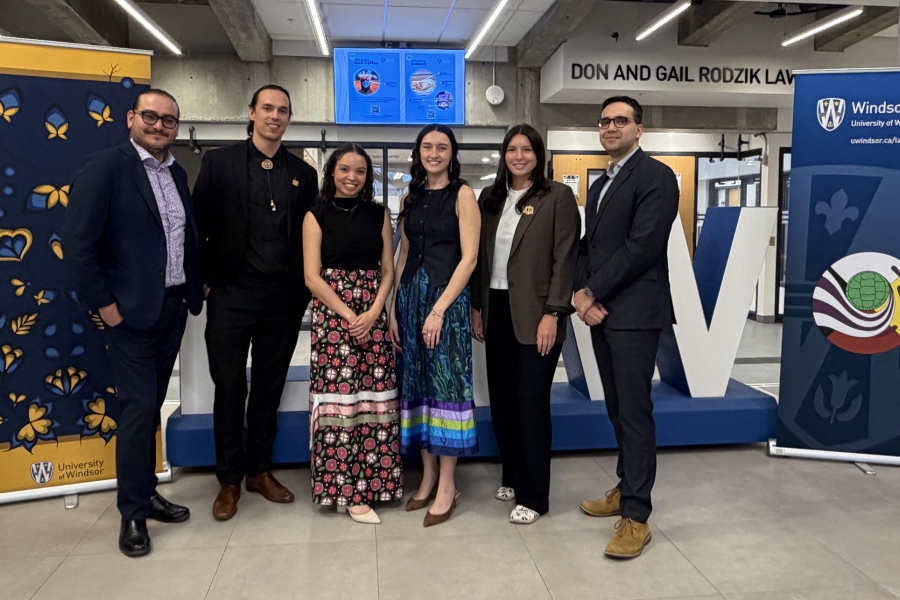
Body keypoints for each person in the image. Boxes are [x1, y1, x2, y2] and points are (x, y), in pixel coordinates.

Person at [63, 89, 204, 557]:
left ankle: (147, 493)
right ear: (131, 118)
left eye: (168, 120)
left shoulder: (176, 173)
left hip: (170, 308)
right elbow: (79, 244)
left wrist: (191, 287)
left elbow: (181, 238)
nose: (159, 125)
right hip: (128, 313)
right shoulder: (106, 167)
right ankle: (132, 515)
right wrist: (105, 306)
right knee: (139, 409)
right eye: (151, 116)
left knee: (152, 406)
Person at [193, 84, 319, 521]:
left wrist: (304, 290)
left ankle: (258, 471)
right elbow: (197, 225)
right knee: (229, 387)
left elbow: (308, 237)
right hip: (231, 294)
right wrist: (208, 281)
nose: (275, 116)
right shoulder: (219, 162)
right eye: (267, 108)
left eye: (283, 110)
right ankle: (228, 479)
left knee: (269, 387)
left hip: (282, 298)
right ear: (251, 113)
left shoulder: (304, 174)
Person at [574, 96, 679, 559]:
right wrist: (582, 294)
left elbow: (642, 247)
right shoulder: (601, 185)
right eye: (605, 121)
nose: (611, 127)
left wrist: (592, 291)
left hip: (636, 314)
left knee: (635, 414)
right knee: (617, 408)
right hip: (603, 313)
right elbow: (589, 247)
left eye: (621, 121)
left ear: (640, 128)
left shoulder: (656, 177)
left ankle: (636, 517)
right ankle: (624, 485)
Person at [470, 124, 580, 524]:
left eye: (527, 150)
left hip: (537, 314)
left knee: (530, 402)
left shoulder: (558, 197)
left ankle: (535, 497)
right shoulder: (490, 198)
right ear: (503, 155)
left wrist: (554, 311)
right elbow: (481, 259)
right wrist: (476, 307)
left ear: (539, 154)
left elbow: (565, 259)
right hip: (494, 307)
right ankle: (512, 476)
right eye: (512, 150)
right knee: (501, 399)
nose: (519, 156)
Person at [302, 144, 401, 524]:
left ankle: (376, 484)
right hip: (333, 317)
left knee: (373, 399)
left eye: (360, 171)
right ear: (332, 172)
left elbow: (388, 269)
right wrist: (350, 316)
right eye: (344, 169)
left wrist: (373, 312)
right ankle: (343, 487)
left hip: (372, 311)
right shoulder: (316, 213)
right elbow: (312, 275)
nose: (352, 177)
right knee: (340, 401)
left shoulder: (379, 214)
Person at [390, 124, 480, 527]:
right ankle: (425, 478)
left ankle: (447, 484)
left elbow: (470, 258)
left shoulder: (463, 195)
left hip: (447, 303)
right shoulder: (410, 197)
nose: (434, 153)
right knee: (418, 386)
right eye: (427, 146)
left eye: (442, 147)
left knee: (446, 387)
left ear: (452, 153)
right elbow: (403, 251)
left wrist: (440, 309)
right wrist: (393, 306)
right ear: (418, 152)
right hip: (410, 299)